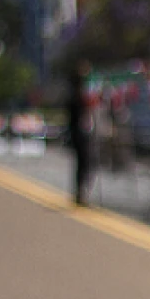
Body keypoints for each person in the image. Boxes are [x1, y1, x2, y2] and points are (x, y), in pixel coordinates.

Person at [67, 62, 92, 206]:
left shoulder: (81, 95)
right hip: (80, 134)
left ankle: (82, 192)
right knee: (84, 163)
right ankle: (81, 192)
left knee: (85, 163)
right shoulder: (77, 96)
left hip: (81, 134)